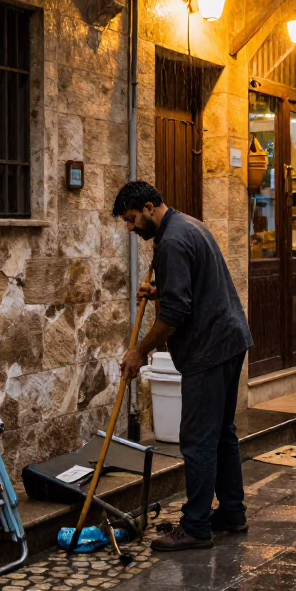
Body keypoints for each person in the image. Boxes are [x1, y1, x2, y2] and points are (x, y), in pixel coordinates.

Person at [113, 181, 253, 552]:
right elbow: (192, 285)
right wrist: (159, 291)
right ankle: (233, 512)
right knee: (222, 433)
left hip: (209, 347)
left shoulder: (172, 241)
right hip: (230, 339)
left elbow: (175, 314)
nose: (130, 227)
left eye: (132, 219)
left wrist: (139, 352)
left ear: (148, 207)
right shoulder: (188, 225)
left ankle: (195, 526)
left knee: (198, 438)